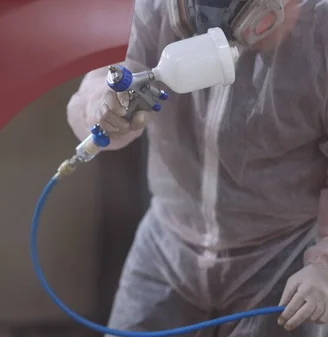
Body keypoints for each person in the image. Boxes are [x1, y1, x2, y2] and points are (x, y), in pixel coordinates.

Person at [66, 0, 328, 336]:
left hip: (281, 258)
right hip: (167, 247)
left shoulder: (318, 28)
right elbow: (111, 81)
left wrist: (322, 266)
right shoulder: (156, 8)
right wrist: (106, 109)